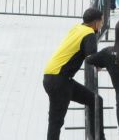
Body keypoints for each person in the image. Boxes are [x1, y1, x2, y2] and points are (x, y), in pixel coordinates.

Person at [43, 8, 105, 140]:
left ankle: (96, 137)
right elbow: (91, 57)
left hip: (54, 76)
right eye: (101, 21)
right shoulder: (89, 34)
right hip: (59, 80)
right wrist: (100, 64)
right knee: (56, 120)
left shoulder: (78, 28)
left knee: (95, 100)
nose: (102, 24)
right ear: (95, 22)